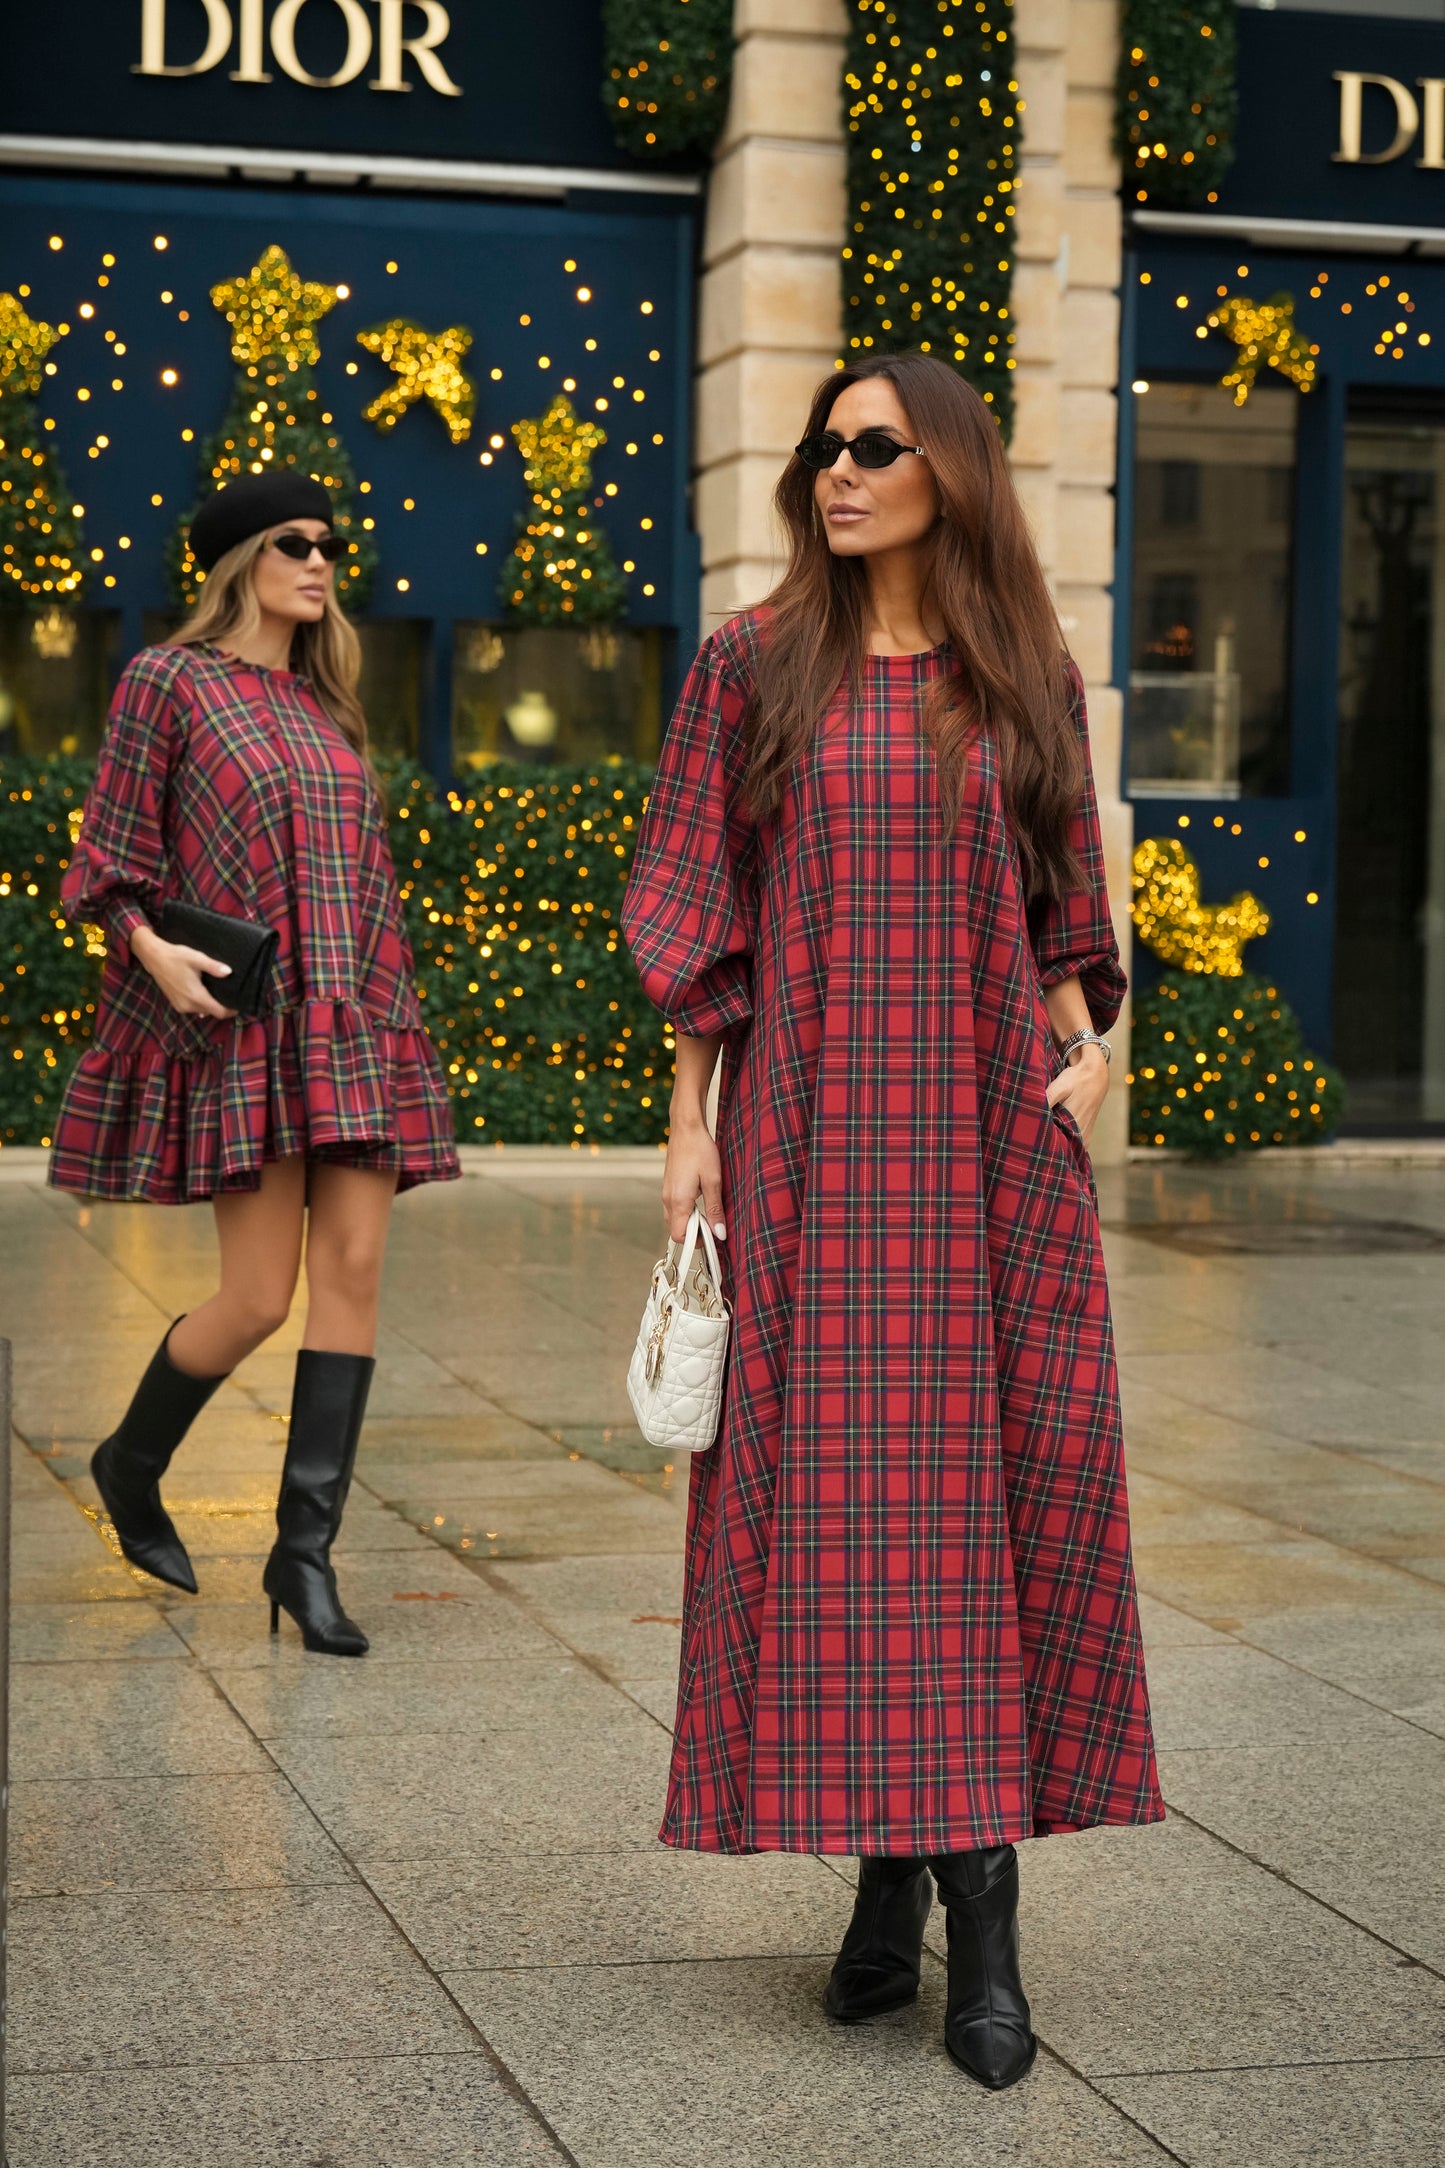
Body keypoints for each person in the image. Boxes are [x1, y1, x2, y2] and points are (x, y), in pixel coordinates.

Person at [621, 353, 1163, 2089]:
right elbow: (701, 910)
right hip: (806, 1138)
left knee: (980, 1503)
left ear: (952, 475)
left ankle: (973, 1919)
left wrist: (1088, 1066)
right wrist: (689, 1130)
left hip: (987, 1148)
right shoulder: (749, 666)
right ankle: (883, 1882)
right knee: (850, 1512)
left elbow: (1078, 917)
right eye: (825, 448)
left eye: (876, 447)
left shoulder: (1027, 677)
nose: (837, 473)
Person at [49, 472, 460, 1656]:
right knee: (254, 1297)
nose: (322, 560)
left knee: (356, 1269)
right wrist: (156, 959)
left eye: (333, 544)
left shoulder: (329, 705)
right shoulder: (167, 681)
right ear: (237, 558)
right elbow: (108, 862)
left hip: (359, 1018)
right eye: (296, 541)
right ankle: (131, 1461)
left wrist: (392, 1017)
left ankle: (304, 1554)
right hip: (250, 1026)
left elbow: (360, 884)